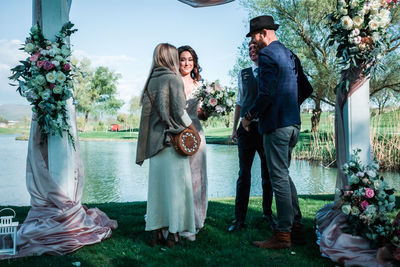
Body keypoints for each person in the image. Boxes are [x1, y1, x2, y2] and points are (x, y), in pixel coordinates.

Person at [242, 15, 313, 249]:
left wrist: (249, 116)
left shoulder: (267, 54)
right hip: (293, 124)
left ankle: (282, 235)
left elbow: (266, 93)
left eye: (254, 36)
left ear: (263, 33)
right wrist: (290, 106)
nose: (253, 41)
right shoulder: (291, 54)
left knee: (278, 179)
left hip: (276, 126)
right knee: (284, 175)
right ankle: (297, 228)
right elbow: (307, 88)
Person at [136, 43, 197, 248]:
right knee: (177, 191)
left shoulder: (150, 80)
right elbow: (180, 112)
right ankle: (173, 234)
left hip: (154, 146)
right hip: (172, 143)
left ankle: (154, 233)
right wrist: (193, 130)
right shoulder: (173, 78)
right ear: (171, 58)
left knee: (157, 192)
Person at [228, 41, 275, 232]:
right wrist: (234, 128)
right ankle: (239, 219)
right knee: (243, 174)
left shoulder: (270, 70)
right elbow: (240, 101)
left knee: (268, 175)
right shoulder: (243, 73)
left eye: (256, 48)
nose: (252, 51)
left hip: (265, 128)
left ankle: (268, 214)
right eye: (250, 49)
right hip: (245, 130)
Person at [178, 45, 208, 237]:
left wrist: (207, 111)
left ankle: (196, 217)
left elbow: (202, 115)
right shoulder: (172, 82)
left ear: (194, 62)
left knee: (197, 178)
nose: (187, 63)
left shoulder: (200, 86)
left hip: (197, 134)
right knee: (180, 177)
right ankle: (179, 217)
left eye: (190, 59)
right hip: (178, 134)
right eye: (182, 59)